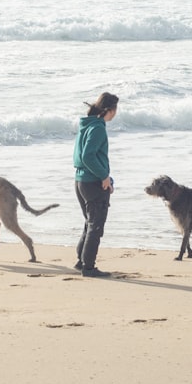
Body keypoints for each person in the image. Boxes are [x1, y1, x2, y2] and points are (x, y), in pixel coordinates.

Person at [73, 92, 119, 278]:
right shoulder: (98, 128)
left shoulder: (87, 124)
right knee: (96, 226)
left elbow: (82, 156)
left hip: (80, 181)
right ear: (109, 110)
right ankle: (89, 268)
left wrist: (106, 177)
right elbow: (87, 156)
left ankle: (81, 261)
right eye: (116, 109)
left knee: (90, 223)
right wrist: (104, 176)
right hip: (92, 183)